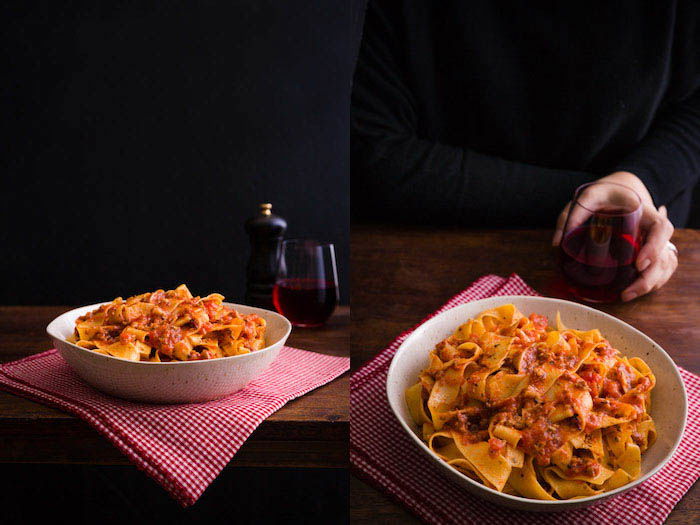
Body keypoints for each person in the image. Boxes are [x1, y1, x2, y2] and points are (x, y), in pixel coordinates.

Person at [351, 1, 700, 301]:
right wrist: (603, 201)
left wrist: (638, 182)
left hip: (642, 256)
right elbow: (376, 156)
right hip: (432, 253)